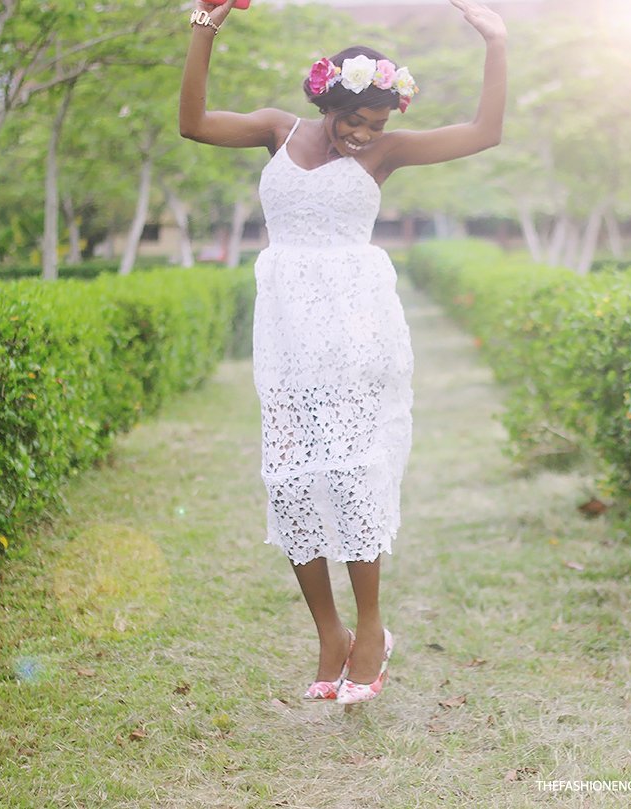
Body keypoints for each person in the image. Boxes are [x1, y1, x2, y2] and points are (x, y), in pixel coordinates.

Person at [180, 0, 507, 705]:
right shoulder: (277, 131)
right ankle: (329, 633)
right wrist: (206, 26)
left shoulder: (385, 153)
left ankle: (372, 631)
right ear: (327, 102)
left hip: (355, 331)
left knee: (353, 475)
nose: (363, 134)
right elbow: (194, 123)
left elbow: (485, 132)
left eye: (376, 125)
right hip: (286, 335)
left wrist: (496, 41)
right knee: (291, 480)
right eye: (353, 120)